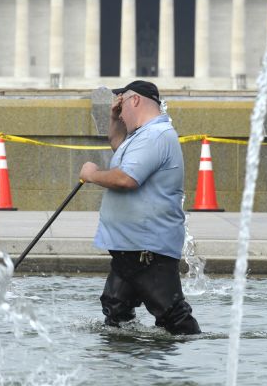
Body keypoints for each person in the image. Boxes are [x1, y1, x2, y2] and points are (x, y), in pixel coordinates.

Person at [79, 80, 201, 335]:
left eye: (121, 104)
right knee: (116, 310)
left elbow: (126, 178)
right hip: (131, 245)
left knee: (172, 315)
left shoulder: (156, 136)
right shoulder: (143, 135)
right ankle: (126, 367)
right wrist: (114, 118)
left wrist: (92, 175)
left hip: (147, 248)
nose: (119, 111)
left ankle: (190, 364)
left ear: (135, 100)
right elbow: (119, 147)